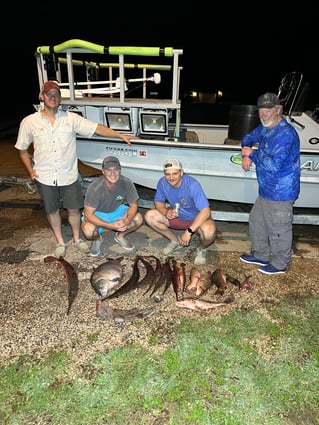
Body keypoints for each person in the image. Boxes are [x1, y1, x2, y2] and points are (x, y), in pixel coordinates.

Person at [15, 80, 135, 258]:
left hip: (69, 175)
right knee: (52, 210)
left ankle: (77, 239)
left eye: (56, 94)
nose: (52, 97)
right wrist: (30, 170)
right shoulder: (29, 121)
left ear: (60, 99)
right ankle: (60, 242)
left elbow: (97, 128)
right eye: (49, 94)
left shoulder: (70, 119)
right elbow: (22, 149)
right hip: (45, 176)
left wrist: (120, 135)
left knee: (73, 209)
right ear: (42, 97)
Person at [240, 92, 300, 275]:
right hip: (265, 190)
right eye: (261, 111)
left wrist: (252, 154)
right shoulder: (265, 128)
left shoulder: (286, 134)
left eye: (269, 110)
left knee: (279, 228)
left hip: (281, 192)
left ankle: (281, 263)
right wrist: (244, 152)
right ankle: (261, 254)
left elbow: (274, 165)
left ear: (278, 110)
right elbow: (248, 138)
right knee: (256, 221)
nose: (264, 114)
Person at [144, 158, 216, 265]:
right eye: (168, 174)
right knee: (150, 216)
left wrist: (189, 232)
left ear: (181, 172)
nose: (171, 177)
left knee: (209, 231)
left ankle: (201, 248)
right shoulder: (162, 182)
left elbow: (205, 211)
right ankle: (175, 241)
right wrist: (165, 212)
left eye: (175, 173)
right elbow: (158, 201)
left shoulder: (192, 185)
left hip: (198, 219)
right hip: (178, 216)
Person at [81, 155, 143, 257]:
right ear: (103, 171)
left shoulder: (127, 183)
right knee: (88, 231)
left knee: (138, 218)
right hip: (98, 213)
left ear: (120, 171)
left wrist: (126, 221)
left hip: (116, 210)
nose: (113, 174)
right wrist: (110, 226)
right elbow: (88, 215)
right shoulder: (95, 188)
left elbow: (134, 205)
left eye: (116, 170)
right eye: (108, 170)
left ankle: (120, 236)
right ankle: (97, 239)